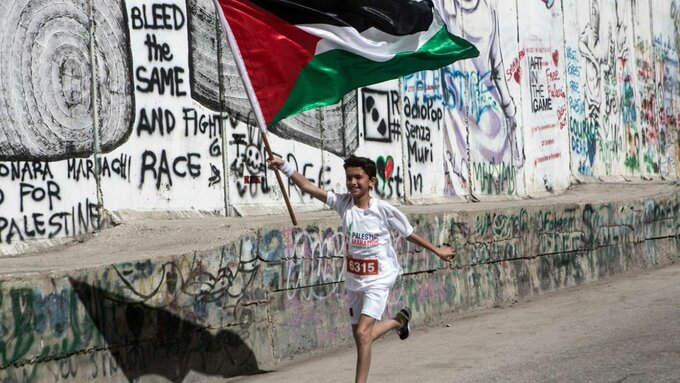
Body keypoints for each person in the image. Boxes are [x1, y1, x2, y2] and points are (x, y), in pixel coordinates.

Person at [267, 155, 456, 383]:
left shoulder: (383, 209)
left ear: (372, 181)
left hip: (379, 278)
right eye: (349, 178)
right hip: (354, 280)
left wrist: (436, 250)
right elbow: (308, 187)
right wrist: (284, 166)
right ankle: (399, 321)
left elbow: (408, 234)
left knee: (363, 334)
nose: (353, 182)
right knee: (361, 338)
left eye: (358, 177)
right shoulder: (342, 203)